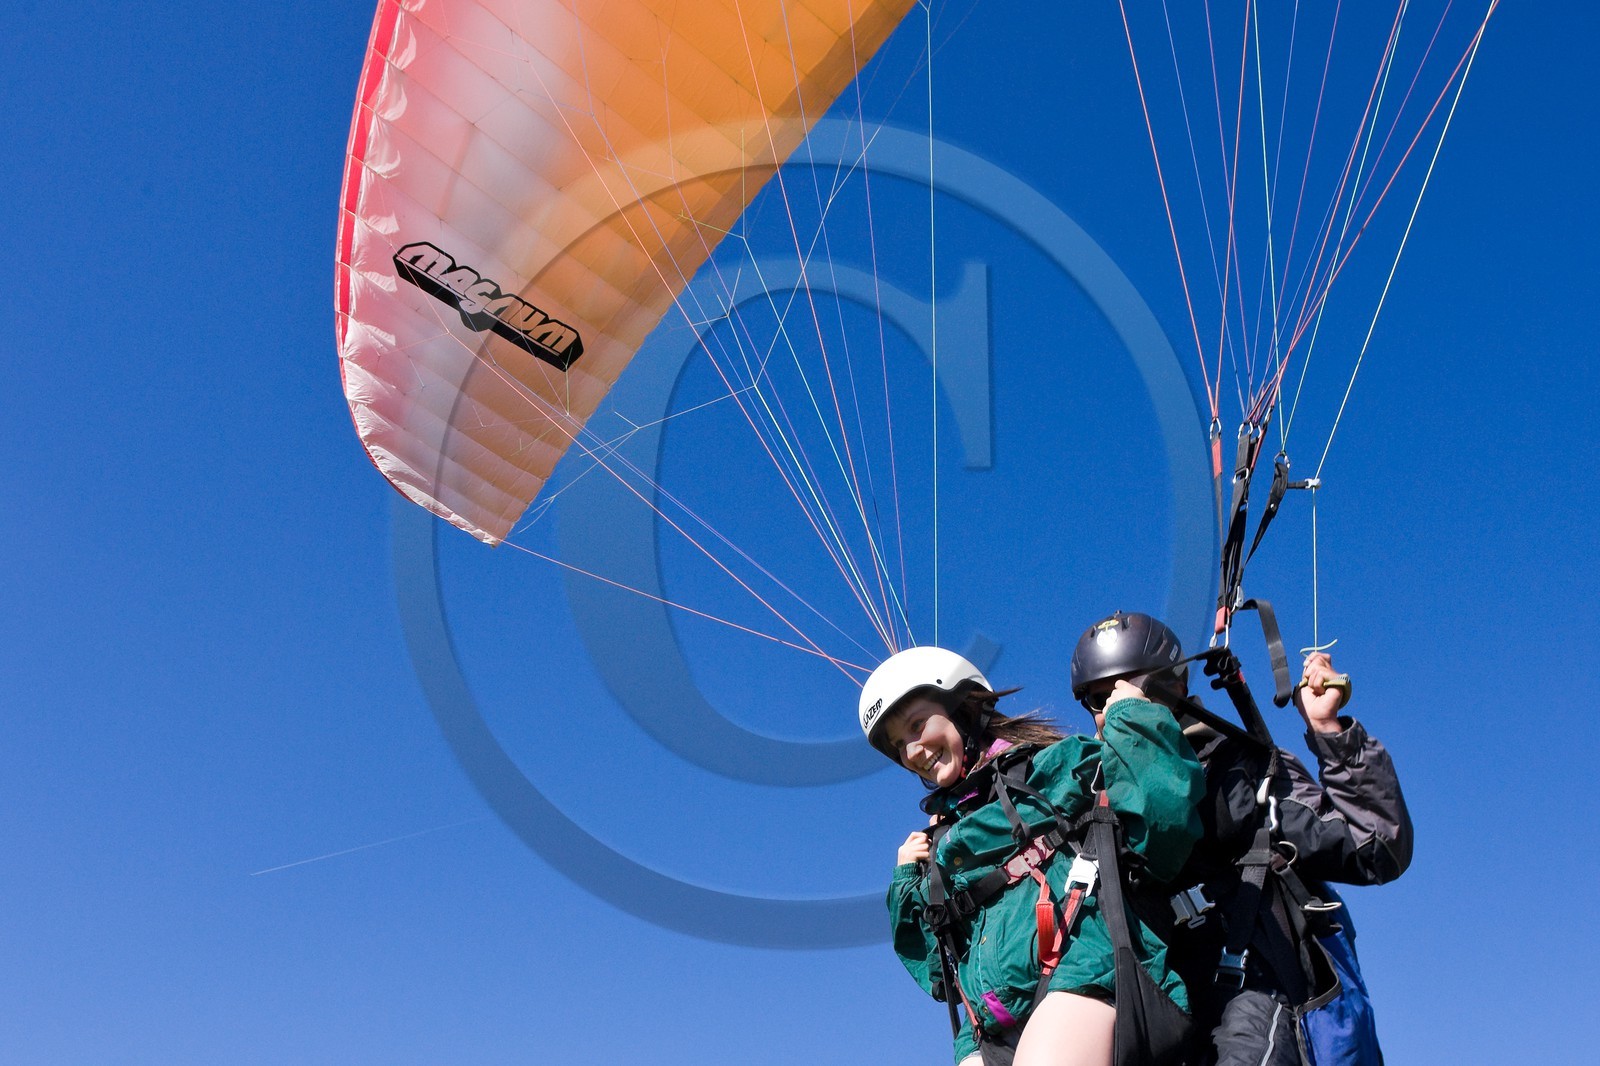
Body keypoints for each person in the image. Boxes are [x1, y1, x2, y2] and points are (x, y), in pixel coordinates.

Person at [1069, 612, 1413, 1066]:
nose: (1113, 706)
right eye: (1098, 698)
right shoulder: (1092, 804)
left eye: (1126, 689)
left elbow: (1375, 848)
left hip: (1257, 987)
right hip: (1160, 1011)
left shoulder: (1242, 770)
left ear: (1165, 687)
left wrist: (1331, 732)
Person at [866, 645, 1207, 1066]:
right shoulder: (939, 847)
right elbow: (937, 974)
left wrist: (1131, 721)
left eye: (918, 725)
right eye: (901, 745)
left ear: (965, 710)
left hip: (1082, 974)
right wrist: (907, 884)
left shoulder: (1053, 768)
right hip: (986, 1028)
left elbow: (1159, 829)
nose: (914, 750)